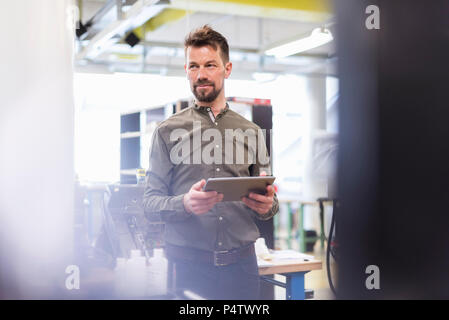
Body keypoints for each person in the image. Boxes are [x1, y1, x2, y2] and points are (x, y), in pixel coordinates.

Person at [143, 25, 279, 300]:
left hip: (242, 269)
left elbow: (270, 202)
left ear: (227, 69)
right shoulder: (166, 131)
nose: (201, 74)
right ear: (186, 70)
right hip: (186, 268)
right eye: (193, 66)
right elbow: (149, 203)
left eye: (209, 65)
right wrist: (184, 203)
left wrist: (267, 206)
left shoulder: (252, 132)